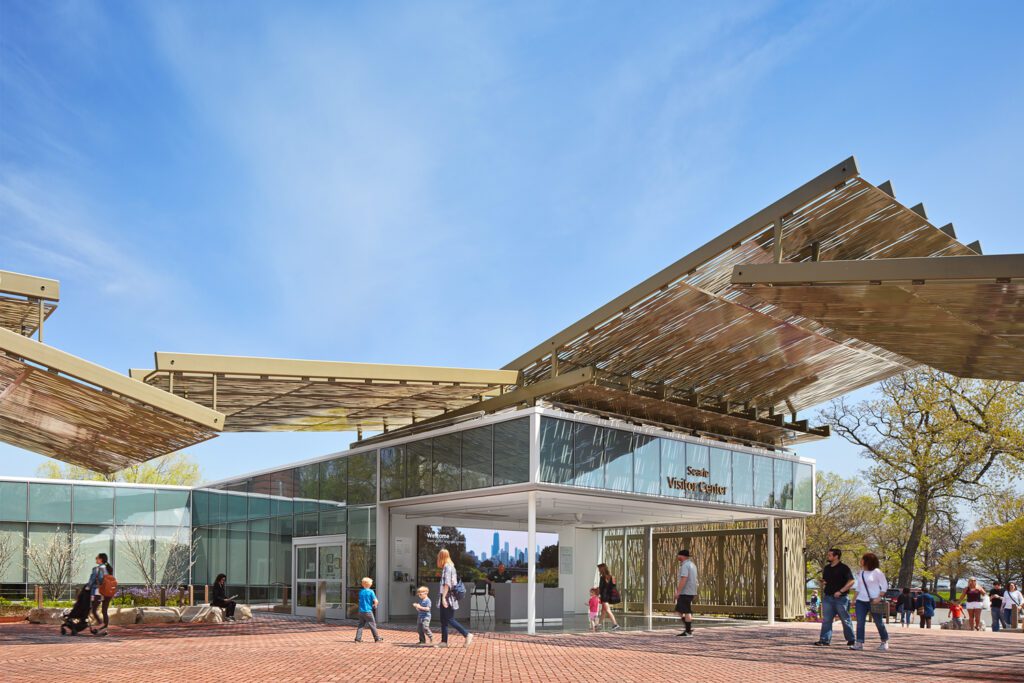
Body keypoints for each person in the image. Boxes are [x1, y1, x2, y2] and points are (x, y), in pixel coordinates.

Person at [813, 548, 855, 647]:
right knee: (827, 620)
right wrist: (823, 582)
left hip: (841, 598)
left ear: (836, 556)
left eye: (830, 555)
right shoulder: (827, 568)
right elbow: (827, 581)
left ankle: (851, 640)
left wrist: (841, 591)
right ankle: (824, 640)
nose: (828, 556)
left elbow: (851, 581)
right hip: (828, 597)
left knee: (845, 619)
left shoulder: (844, 568)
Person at [851, 552, 889, 651]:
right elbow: (858, 587)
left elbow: (884, 585)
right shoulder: (861, 573)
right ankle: (859, 642)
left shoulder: (877, 572)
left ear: (867, 561)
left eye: (862, 559)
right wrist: (854, 599)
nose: (861, 561)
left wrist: (879, 597)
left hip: (874, 600)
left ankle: (884, 641)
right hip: (861, 601)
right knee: (860, 622)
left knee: (879, 622)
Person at [437, 549, 472, 647]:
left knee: (449, 619)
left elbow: (447, 584)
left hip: (447, 597)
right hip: (446, 596)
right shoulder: (449, 567)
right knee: (444, 619)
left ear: (441, 557)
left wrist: (443, 598)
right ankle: (444, 642)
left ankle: (467, 634)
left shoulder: (448, 568)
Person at [86, 553, 113, 635]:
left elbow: (92, 580)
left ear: (101, 559)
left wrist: (87, 587)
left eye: (97, 558)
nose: (96, 559)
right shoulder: (109, 569)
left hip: (98, 592)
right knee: (104, 611)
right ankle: (105, 629)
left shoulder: (97, 569)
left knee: (94, 610)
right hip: (108, 592)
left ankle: (101, 625)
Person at [674, 549, 698, 637]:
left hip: (685, 592)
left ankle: (688, 631)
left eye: (678, 555)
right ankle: (688, 628)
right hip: (690, 591)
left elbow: (684, 578)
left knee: (686, 611)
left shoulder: (685, 566)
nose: (677, 557)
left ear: (682, 556)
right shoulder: (692, 565)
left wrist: (678, 592)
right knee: (680, 610)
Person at [596, 563, 621, 631]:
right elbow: (614, 586)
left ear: (602, 569)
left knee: (607, 610)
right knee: (603, 611)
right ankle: (599, 624)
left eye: (599, 569)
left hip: (604, 597)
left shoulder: (602, 578)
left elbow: (601, 588)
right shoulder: (612, 577)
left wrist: (598, 594)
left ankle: (615, 624)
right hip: (608, 596)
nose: (598, 570)